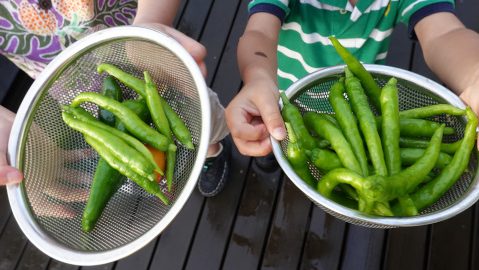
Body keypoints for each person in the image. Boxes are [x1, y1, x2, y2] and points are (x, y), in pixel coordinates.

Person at [0, 0, 231, 198]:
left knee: (193, 113)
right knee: (118, 133)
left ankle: (211, 148)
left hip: (145, 52)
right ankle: (155, 170)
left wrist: (146, 25)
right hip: (72, 84)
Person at [225, 0, 479, 157]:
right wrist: (257, 77)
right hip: (283, 98)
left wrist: (475, 74)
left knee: (346, 145)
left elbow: (445, 33)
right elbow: (260, 32)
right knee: (279, 137)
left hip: (357, 99)